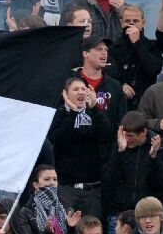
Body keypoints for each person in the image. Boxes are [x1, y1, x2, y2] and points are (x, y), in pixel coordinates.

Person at [48, 76, 114, 220]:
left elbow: (107, 135)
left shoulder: (94, 113)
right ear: (66, 94)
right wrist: (72, 113)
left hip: (92, 189)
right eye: (76, 89)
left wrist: (95, 109)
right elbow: (57, 139)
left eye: (84, 89)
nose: (81, 92)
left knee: (92, 232)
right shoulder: (59, 114)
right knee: (65, 232)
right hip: (67, 189)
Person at [102, 112, 163, 230]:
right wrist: (120, 152)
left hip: (147, 214)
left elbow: (161, 183)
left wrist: (153, 158)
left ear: (144, 132)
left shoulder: (158, 147)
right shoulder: (117, 146)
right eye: (124, 135)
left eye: (131, 136)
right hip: (119, 214)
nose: (127, 139)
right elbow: (109, 181)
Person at [107, 4, 162, 111]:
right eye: (127, 21)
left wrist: (137, 43)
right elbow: (108, 74)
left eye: (136, 21)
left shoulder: (152, 46)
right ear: (121, 23)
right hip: (122, 105)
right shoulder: (112, 48)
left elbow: (154, 69)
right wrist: (119, 86)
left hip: (146, 104)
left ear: (143, 23)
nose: (131, 24)